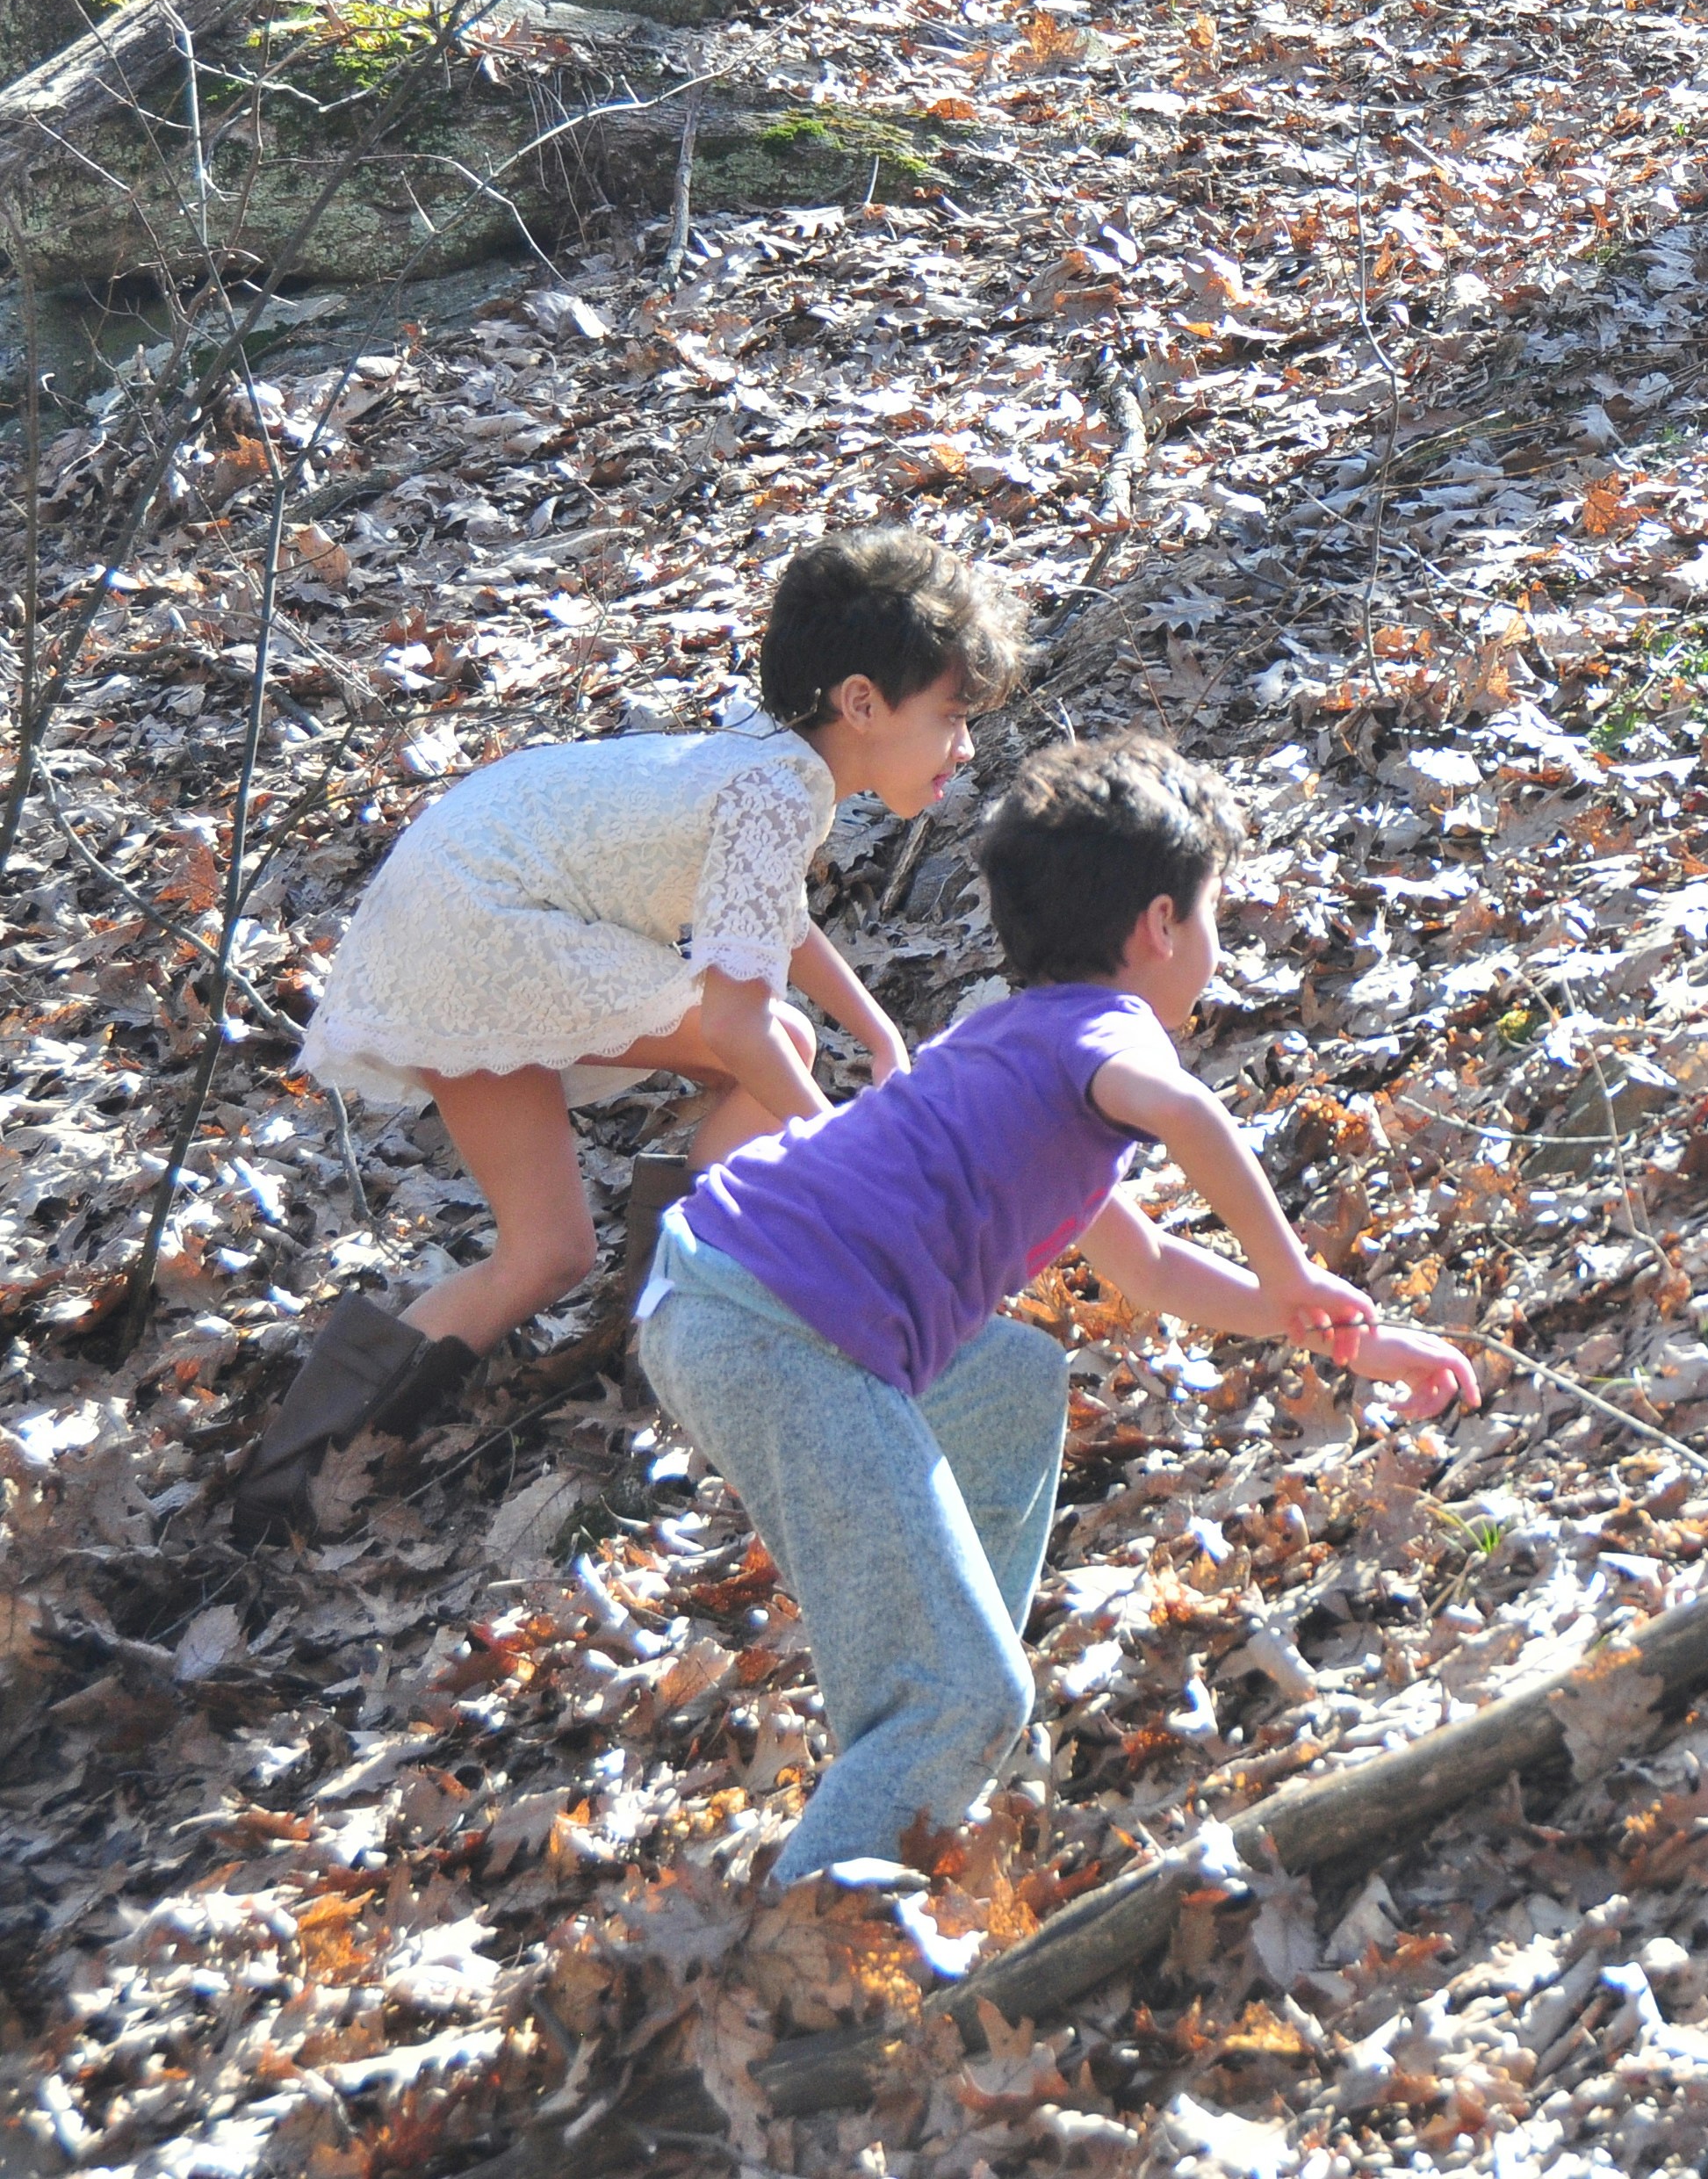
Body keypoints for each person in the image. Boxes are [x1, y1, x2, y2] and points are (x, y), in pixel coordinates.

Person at [632, 732, 1478, 1886]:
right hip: (780, 1324)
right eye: (1213, 917)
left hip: (719, 1286)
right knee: (973, 1688)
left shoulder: (1013, 1053)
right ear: (1160, 928)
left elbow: (1153, 1270)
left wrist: (1328, 1332)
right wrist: (1291, 1271)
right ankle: (813, 1930)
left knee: (1010, 1384)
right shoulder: (1107, 1040)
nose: (1215, 950)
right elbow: (1188, 1117)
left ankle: (923, 1711)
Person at [241, 529, 1023, 1542]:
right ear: (862, 703)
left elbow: (765, 911)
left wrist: (872, 1028)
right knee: (770, 1040)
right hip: (483, 920)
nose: (966, 747)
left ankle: (284, 1488)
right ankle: (682, 1300)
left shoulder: (776, 754)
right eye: (952, 718)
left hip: (452, 915)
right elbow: (741, 1019)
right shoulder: (779, 786)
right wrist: (852, 1154)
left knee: (546, 1254)